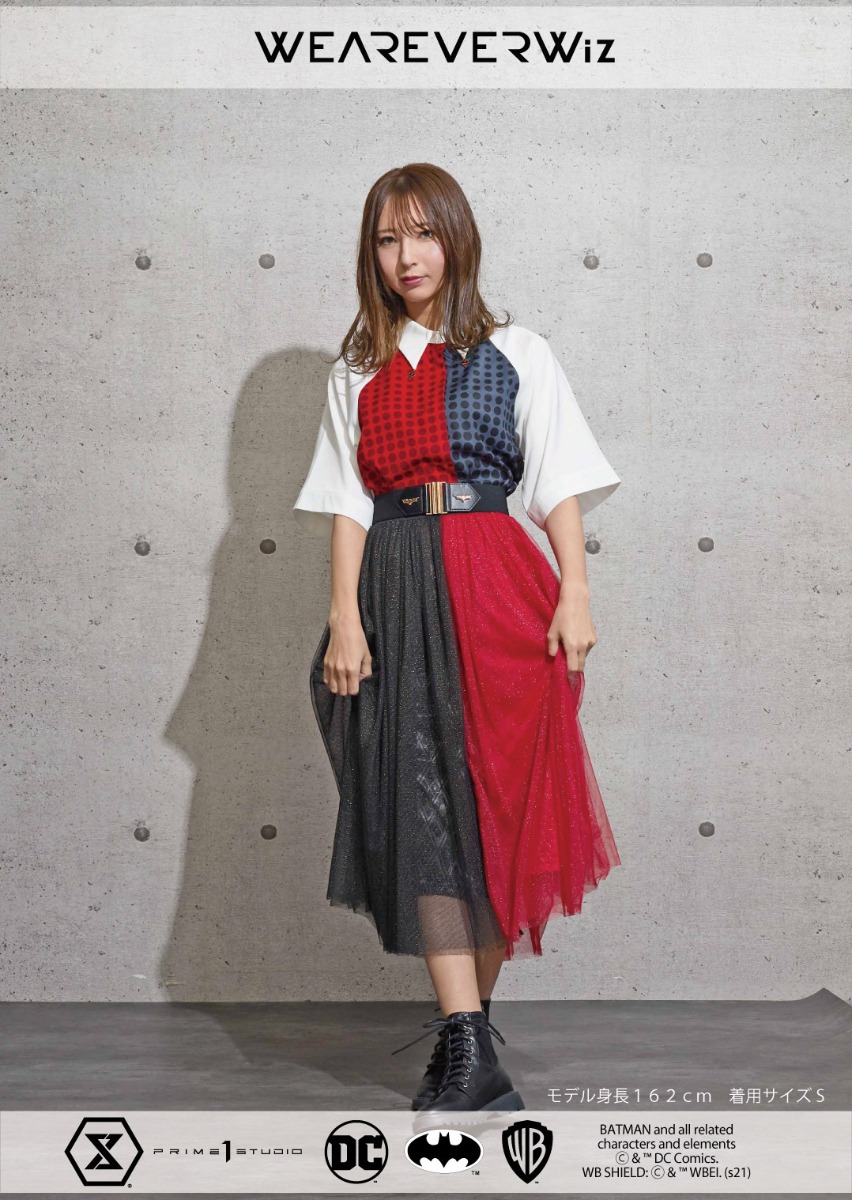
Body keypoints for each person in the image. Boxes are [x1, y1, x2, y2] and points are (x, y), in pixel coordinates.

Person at [293, 163, 622, 1116]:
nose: (407, 257)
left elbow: (557, 480)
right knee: (424, 810)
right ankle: (468, 1044)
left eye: (423, 234)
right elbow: (348, 502)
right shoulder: (356, 371)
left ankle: (466, 1044)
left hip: (499, 585)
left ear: (457, 238)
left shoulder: (516, 350)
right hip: (394, 591)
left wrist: (576, 593)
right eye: (387, 239)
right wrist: (345, 616)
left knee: (498, 814)